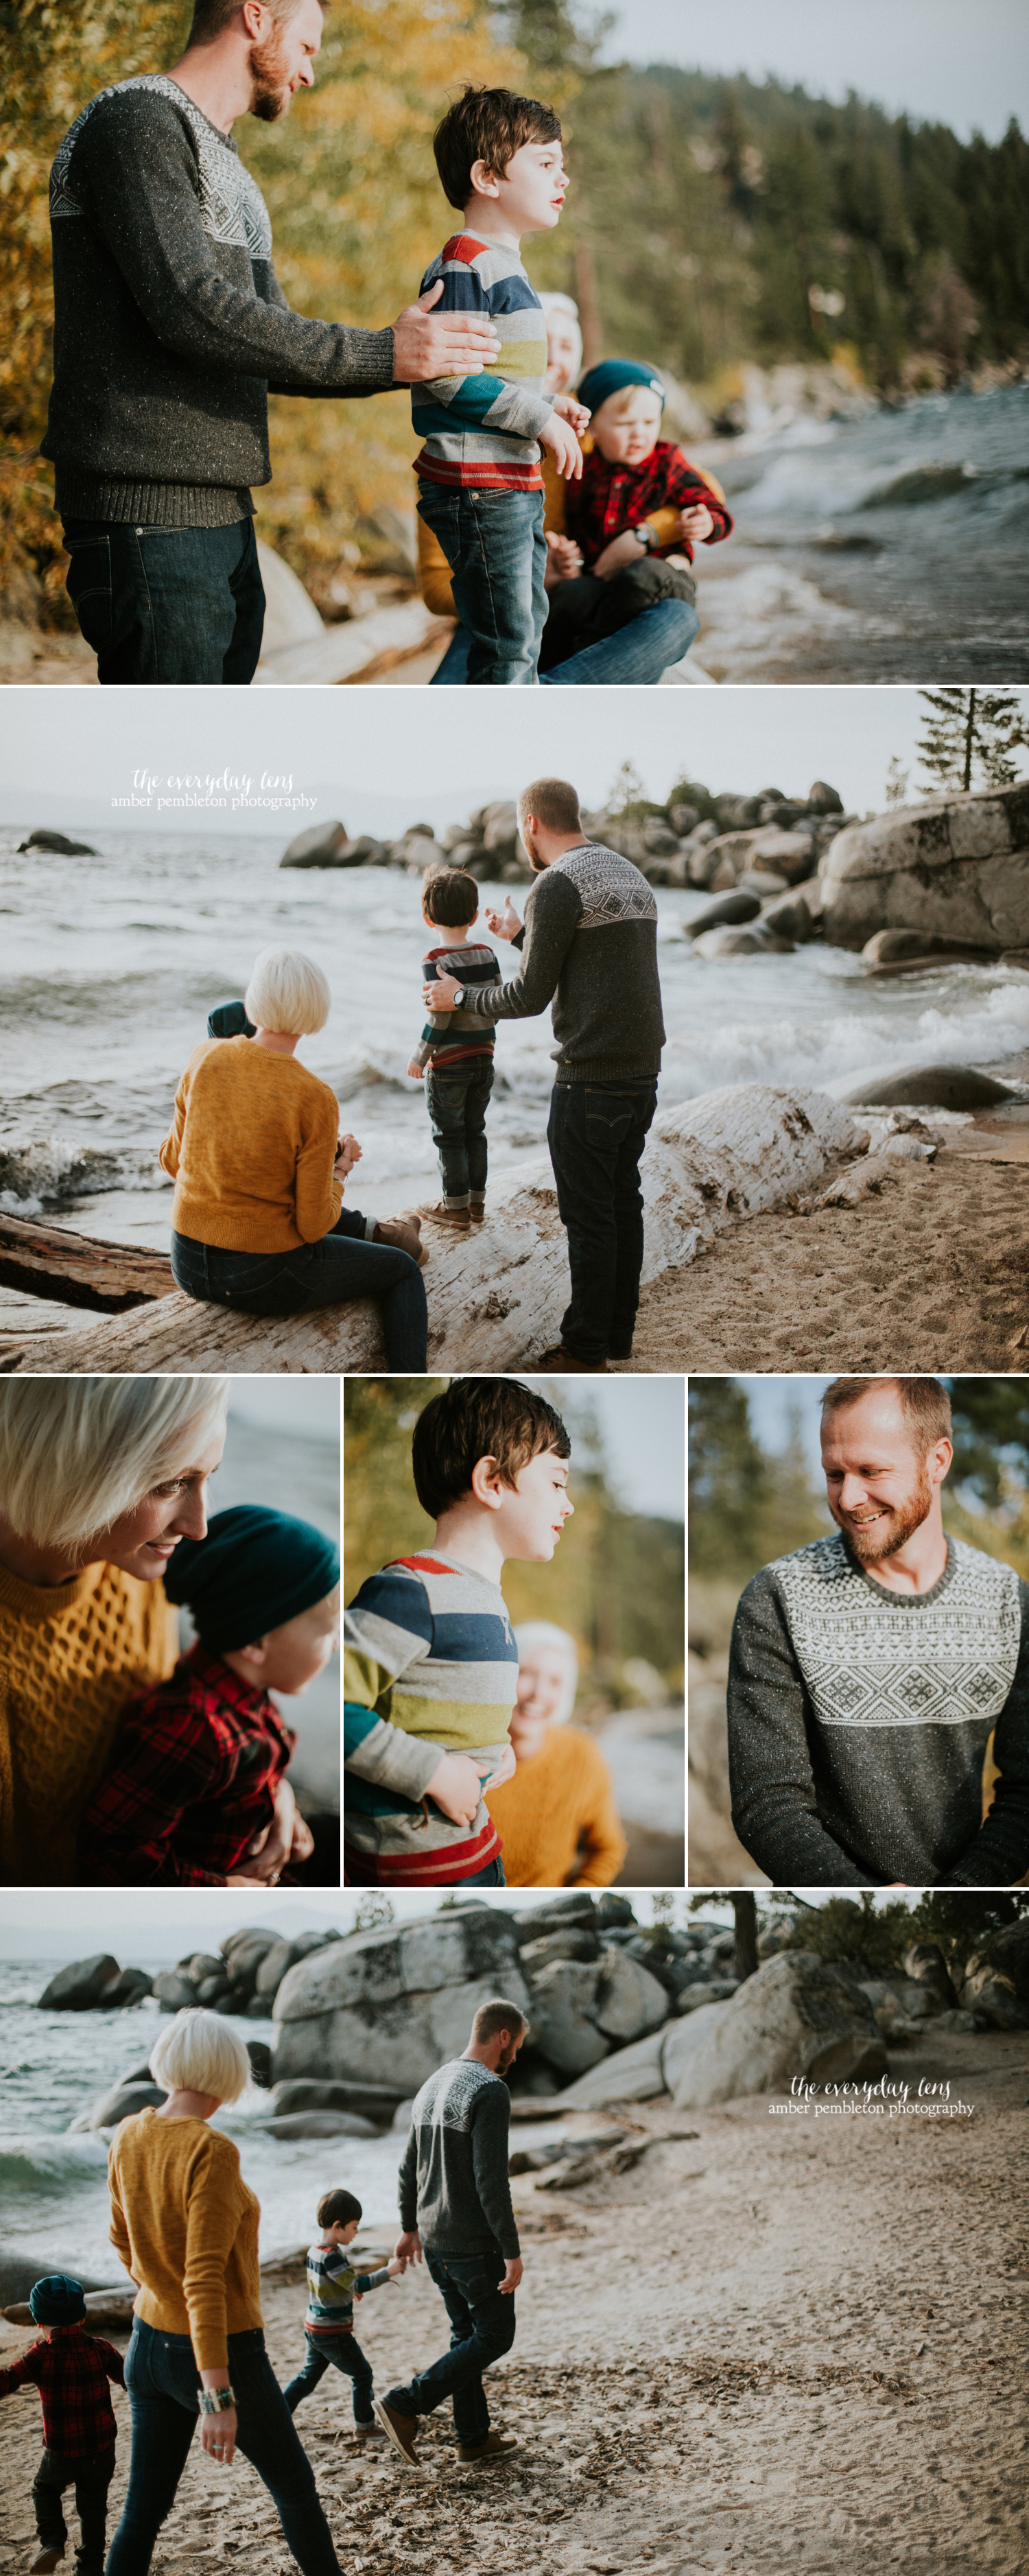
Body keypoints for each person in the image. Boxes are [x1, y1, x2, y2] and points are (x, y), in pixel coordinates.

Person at [45, 0, 504, 685]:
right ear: (256, 18)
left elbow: (263, 336)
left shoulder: (228, 168)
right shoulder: (137, 122)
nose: (311, 74)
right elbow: (191, 309)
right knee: (176, 768)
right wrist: (386, 352)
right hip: (148, 519)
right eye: (308, 48)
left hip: (222, 511)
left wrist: (403, 354)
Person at [727, 1375, 1029, 1888]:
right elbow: (768, 1801)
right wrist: (862, 1898)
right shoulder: (777, 1598)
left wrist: (957, 1894)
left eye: (871, 1471)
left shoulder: (1011, 1604)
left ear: (937, 1461)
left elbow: (1025, 1789)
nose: (849, 1498)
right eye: (833, 1473)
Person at [421, 776, 664, 1372]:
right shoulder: (626, 872)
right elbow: (588, 965)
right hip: (641, 1072)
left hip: (589, 1077)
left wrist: (460, 1000)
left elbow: (529, 995)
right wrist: (521, 936)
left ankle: (583, 1349)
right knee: (621, 1204)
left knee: (588, 1219)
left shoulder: (555, 883)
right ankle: (615, 1338)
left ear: (531, 823)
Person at [105, 2008, 346, 2576]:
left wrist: (156, 2292)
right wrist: (216, 2398)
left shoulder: (128, 2131)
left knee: (144, 2508)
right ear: (228, 2071)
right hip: (220, 2354)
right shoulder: (210, 2150)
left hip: (147, 2345)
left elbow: (122, 2237)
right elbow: (204, 2276)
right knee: (294, 2486)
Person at [343, 1378, 572, 1886]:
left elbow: (447, 1717)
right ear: (491, 1480)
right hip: (411, 1872)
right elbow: (333, 1703)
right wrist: (433, 1772)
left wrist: (497, 1753)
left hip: (478, 1852)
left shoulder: (486, 1598)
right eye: (557, 1482)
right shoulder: (412, 1590)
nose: (568, 1504)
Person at [0, 1375, 227, 1885]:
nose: (199, 1526)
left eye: (210, 1474)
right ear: (71, 1464)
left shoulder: (132, 1562)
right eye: (173, 1483)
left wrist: (263, 1790)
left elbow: (170, 1719)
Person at [162, 945, 428, 1370]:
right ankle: (410, 1381)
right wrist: (338, 1169)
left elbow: (173, 1163)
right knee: (403, 1271)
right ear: (314, 1010)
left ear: (254, 999)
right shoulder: (314, 1097)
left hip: (187, 1262)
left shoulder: (203, 1057)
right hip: (262, 1277)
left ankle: (382, 1230)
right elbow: (312, 1224)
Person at [422, 297, 707, 687]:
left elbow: (705, 488)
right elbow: (437, 588)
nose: (554, 357)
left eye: (568, 347)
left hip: (586, 601)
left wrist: (644, 536)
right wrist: (537, 580)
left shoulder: (593, 435)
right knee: (454, 700)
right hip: (501, 609)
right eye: (540, 341)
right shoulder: (453, 450)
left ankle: (555, 695)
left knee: (676, 618)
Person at [412, 84, 588, 685]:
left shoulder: (505, 265)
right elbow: (448, 376)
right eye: (545, 164)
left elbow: (492, 380)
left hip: (505, 481)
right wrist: (540, 420)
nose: (562, 178)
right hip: (477, 487)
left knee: (524, 626)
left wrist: (547, 401)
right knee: (507, 642)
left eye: (562, 165)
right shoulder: (466, 263)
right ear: (487, 176)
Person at [81, 1505, 340, 1887]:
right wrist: (225, 1888)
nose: (336, 1646)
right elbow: (111, 1852)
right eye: (328, 1633)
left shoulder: (243, 1690)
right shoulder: (194, 1728)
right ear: (256, 1641)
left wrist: (283, 1808)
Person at [373, 1998, 525, 2469]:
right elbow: (490, 2179)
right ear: (502, 2035)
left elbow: (407, 2168)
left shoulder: (433, 2082)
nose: (515, 2058)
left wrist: (408, 2226)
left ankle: (472, 2439)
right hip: (472, 2243)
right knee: (496, 2334)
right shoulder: (489, 2090)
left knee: (467, 2336)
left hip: (436, 2240)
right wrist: (512, 2249)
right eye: (516, 2047)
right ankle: (405, 2402)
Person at [540, 360, 732, 672]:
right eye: (626, 424)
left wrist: (706, 521)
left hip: (664, 582)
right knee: (572, 594)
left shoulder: (666, 462)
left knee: (643, 574)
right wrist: (570, 558)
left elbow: (715, 508)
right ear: (594, 429)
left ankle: (585, 660)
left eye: (649, 422)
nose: (639, 434)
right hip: (607, 588)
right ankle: (544, 672)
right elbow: (579, 537)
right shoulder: (584, 472)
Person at [484, 1621, 626, 1887]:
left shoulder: (583, 1755)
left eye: (555, 1681)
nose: (539, 1693)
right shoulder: (468, 1748)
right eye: (526, 1673)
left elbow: (608, 1849)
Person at [0, 2273, 124, 2576]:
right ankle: (91, 2566)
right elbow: (131, 2380)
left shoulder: (41, 2354)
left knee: (44, 2488)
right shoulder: (101, 2348)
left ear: (36, 2321)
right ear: (82, 2316)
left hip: (61, 2451)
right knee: (93, 2508)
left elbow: (8, 2380)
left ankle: (53, 2541)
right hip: (102, 2449)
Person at [407, 866, 503, 1232]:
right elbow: (497, 999)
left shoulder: (434, 959)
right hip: (484, 1058)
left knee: (449, 1137)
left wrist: (419, 1057)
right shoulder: (487, 953)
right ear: (475, 916)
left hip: (449, 1063)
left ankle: (455, 1208)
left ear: (428, 917)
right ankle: (476, 1205)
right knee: (475, 1132)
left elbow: (440, 1016)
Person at [282, 2186, 405, 2435]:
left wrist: (347, 2290)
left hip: (314, 2326)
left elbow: (328, 2284)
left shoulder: (315, 2250)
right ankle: (365, 2427)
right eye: (354, 2227)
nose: (356, 2233)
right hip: (332, 2331)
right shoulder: (333, 2256)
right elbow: (358, 2283)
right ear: (338, 2226)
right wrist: (390, 2271)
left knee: (307, 2377)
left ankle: (278, 2416)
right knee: (362, 2375)